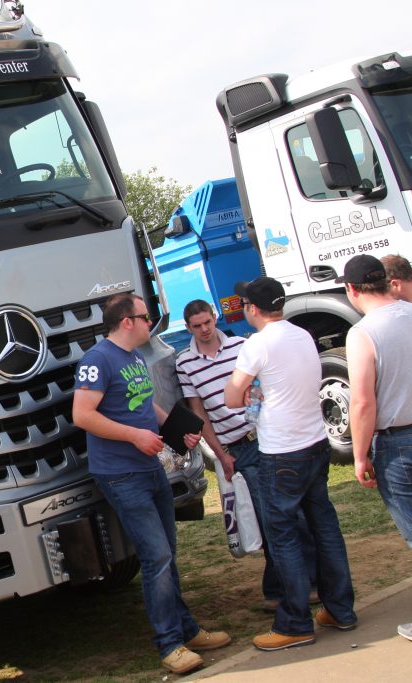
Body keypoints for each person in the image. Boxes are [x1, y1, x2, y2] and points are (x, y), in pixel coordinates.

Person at [72, 292, 230, 675]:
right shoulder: (97, 360)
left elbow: (147, 406)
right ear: (127, 321)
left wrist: (177, 429)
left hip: (149, 468)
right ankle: (169, 643)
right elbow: (82, 415)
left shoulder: (134, 358)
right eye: (146, 317)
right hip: (121, 473)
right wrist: (133, 436)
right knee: (156, 556)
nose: (151, 323)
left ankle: (186, 630)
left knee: (167, 553)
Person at [225, 276, 357, 651]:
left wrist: (252, 390)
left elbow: (233, 398)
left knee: (283, 536)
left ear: (252, 308)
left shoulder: (257, 345)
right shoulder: (301, 334)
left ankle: (296, 621)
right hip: (315, 443)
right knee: (324, 525)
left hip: (282, 451)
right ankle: (340, 609)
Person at [175, 299, 318, 611]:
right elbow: (199, 413)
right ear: (188, 328)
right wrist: (220, 454)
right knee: (269, 517)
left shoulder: (241, 346)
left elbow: (257, 389)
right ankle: (286, 585)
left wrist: (257, 422)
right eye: (197, 326)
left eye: (207, 323)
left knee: (284, 513)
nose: (204, 330)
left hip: (261, 438)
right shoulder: (185, 363)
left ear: (214, 319)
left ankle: (295, 583)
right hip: (235, 448)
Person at [337, 254, 412, 641]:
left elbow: (363, 401)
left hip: (398, 442)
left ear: (351, 289)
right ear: (387, 281)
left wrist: (360, 453)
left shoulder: (363, 333)